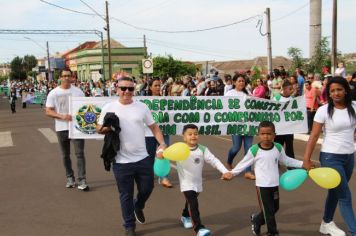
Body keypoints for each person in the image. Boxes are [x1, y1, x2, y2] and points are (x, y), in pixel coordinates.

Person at [96, 77, 166, 236]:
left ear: (134, 90)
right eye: (123, 88)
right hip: (121, 161)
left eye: (130, 89)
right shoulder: (109, 107)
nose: (127, 91)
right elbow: (99, 128)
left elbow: (154, 127)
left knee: (147, 189)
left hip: (142, 158)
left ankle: (139, 205)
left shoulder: (142, 107)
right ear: (116, 89)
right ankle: (129, 226)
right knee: (125, 194)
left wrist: (161, 143)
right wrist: (108, 127)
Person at [223, 121, 304, 236]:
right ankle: (272, 232)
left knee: (275, 208)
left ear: (274, 135)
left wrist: (303, 164)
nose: (266, 136)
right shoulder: (254, 150)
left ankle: (257, 219)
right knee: (269, 212)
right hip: (262, 186)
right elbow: (243, 163)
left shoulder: (278, 147)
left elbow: (286, 160)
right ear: (258, 134)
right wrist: (232, 173)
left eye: (269, 134)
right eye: (263, 134)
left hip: (274, 184)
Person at [303, 77, 356, 236]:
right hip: (330, 157)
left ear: (346, 90)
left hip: (349, 157)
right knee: (345, 195)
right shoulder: (323, 110)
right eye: (332, 91)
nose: (336, 93)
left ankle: (326, 222)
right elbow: (313, 136)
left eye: (339, 89)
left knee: (335, 191)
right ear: (329, 93)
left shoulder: (354, 107)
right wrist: (306, 159)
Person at [176, 124, 229, 236]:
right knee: (193, 203)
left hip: (197, 182)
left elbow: (214, 161)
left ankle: (185, 216)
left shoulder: (202, 149)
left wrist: (225, 171)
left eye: (195, 134)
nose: (193, 136)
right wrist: (160, 153)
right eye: (190, 134)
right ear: (184, 137)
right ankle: (199, 228)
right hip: (186, 183)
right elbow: (166, 155)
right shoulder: (179, 149)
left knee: (191, 202)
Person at [45, 68, 89, 191]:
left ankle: (82, 180)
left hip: (77, 128)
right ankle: (70, 177)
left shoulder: (78, 92)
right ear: (60, 77)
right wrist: (61, 116)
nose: (66, 78)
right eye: (64, 76)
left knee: (80, 154)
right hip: (61, 127)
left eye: (69, 76)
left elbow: (85, 108)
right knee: (65, 155)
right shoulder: (54, 93)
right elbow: (48, 111)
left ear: (72, 77)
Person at [225, 75, 255, 180]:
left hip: (248, 125)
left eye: (243, 81)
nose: (241, 83)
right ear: (234, 82)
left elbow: (254, 107)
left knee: (249, 149)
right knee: (236, 147)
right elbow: (225, 108)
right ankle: (229, 161)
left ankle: (248, 171)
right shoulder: (229, 94)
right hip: (236, 125)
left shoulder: (248, 94)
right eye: (239, 81)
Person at [145, 77, 173, 188]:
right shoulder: (145, 101)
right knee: (150, 155)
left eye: (159, 85)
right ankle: (149, 176)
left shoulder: (166, 100)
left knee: (164, 154)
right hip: (149, 132)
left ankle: (164, 177)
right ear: (150, 87)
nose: (158, 87)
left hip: (164, 131)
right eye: (155, 85)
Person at [273, 80, 296, 162]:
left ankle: (291, 164)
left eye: (292, 89)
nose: (292, 90)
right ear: (285, 89)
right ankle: (275, 161)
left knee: (289, 146)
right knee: (278, 145)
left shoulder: (292, 99)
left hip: (289, 127)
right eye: (290, 89)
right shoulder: (277, 98)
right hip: (279, 128)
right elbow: (272, 112)